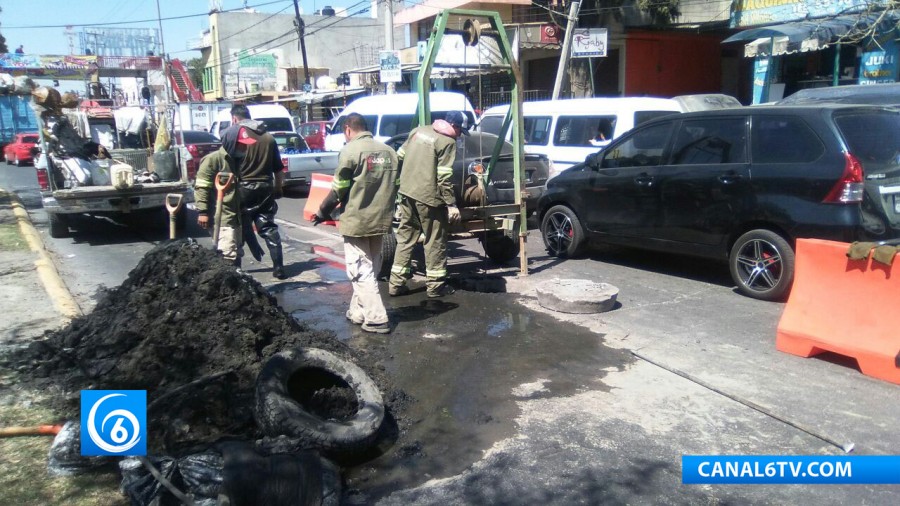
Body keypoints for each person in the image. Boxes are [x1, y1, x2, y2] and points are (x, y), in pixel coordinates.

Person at [310, 113, 399, 334]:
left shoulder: (350, 151)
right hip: (381, 221)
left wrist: (322, 211)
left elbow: (339, 188)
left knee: (360, 270)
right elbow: (395, 185)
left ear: (348, 129)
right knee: (370, 267)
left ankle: (377, 319)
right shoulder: (389, 152)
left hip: (358, 221)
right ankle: (358, 312)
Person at [387, 111, 466, 298]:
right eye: (461, 129)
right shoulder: (447, 142)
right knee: (434, 241)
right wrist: (451, 204)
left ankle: (395, 284)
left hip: (407, 193)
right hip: (429, 199)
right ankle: (436, 287)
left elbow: (399, 156)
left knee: (406, 239)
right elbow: (444, 177)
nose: (461, 134)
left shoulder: (418, 131)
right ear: (454, 126)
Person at [230, 104, 288, 279]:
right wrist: (278, 188)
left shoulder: (236, 136)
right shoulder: (268, 138)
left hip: (243, 188)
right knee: (268, 227)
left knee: (238, 227)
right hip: (265, 187)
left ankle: (235, 269)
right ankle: (278, 268)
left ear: (234, 119)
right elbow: (278, 169)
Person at [194, 126, 255, 264]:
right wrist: (202, 211)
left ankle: (238, 282)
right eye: (242, 144)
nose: (245, 148)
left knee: (236, 251)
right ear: (232, 143)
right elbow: (202, 187)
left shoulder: (236, 161)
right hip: (221, 217)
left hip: (235, 216)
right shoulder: (212, 160)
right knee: (227, 254)